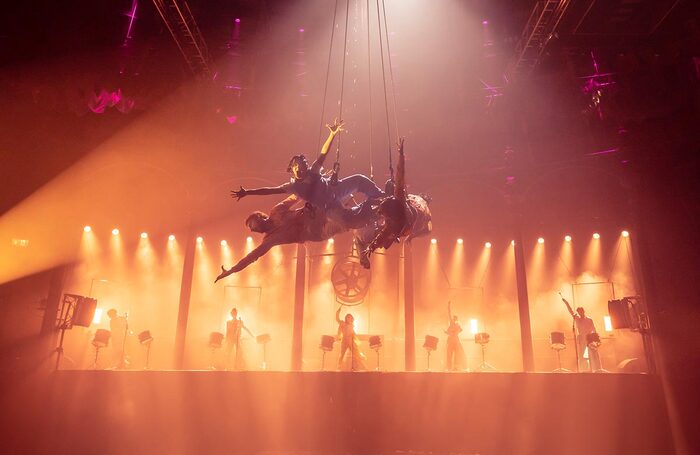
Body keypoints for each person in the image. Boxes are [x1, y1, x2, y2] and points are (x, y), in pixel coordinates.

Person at [230, 119, 384, 229]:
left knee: (359, 180)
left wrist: (332, 135)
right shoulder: (293, 186)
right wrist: (248, 192)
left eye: (304, 166)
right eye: (298, 167)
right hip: (329, 207)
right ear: (293, 169)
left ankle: (380, 197)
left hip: (336, 190)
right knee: (347, 221)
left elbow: (323, 154)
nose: (303, 169)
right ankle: (373, 211)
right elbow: (270, 191)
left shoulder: (313, 172)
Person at [215, 194, 346, 282]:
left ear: (259, 217)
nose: (251, 229)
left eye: (251, 224)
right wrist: (232, 270)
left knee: (340, 197)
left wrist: (309, 183)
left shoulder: (276, 211)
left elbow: (295, 196)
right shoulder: (268, 240)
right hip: (319, 232)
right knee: (347, 223)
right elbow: (251, 257)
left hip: (315, 213)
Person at [360, 138, 432, 268]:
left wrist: (371, 247)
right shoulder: (399, 200)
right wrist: (400, 154)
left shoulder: (395, 223)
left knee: (385, 237)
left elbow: (383, 235)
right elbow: (400, 174)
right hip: (410, 220)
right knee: (390, 185)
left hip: (408, 224)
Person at [560, 296, 601, 372]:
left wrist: (595, 338)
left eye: (580, 311)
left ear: (583, 311)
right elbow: (571, 311)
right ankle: (583, 370)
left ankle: (595, 369)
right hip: (582, 339)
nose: (579, 313)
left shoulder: (589, 319)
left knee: (592, 354)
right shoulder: (577, 319)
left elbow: (593, 329)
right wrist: (566, 302)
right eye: (578, 312)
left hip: (589, 339)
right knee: (582, 355)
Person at [335, 306, 366, 371]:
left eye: (350, 318)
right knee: (342, 354)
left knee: (356, 353)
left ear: (351, 319)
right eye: (348, 318)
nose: (349, 319)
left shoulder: (351, 326)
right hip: (344, 341)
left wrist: (355, 338)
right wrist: (338, 312)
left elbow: (353, 333)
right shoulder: (343, 323)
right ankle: (338, 368)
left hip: (350, 341)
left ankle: (363, 366)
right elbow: (337, 319)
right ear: (346, 319)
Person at [445, 301, 466, 371]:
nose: (454, 319)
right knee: (449, 354)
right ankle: (449, 367)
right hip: (451, 341)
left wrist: (454, 332)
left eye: (455, 318)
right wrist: (449, 305)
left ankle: (456, 366)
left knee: (457, 354)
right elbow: (449, 313)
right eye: (454, 318)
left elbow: (461, 330)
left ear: (457, 319)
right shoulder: (451, 322)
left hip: (456, 341)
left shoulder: (458, 325)